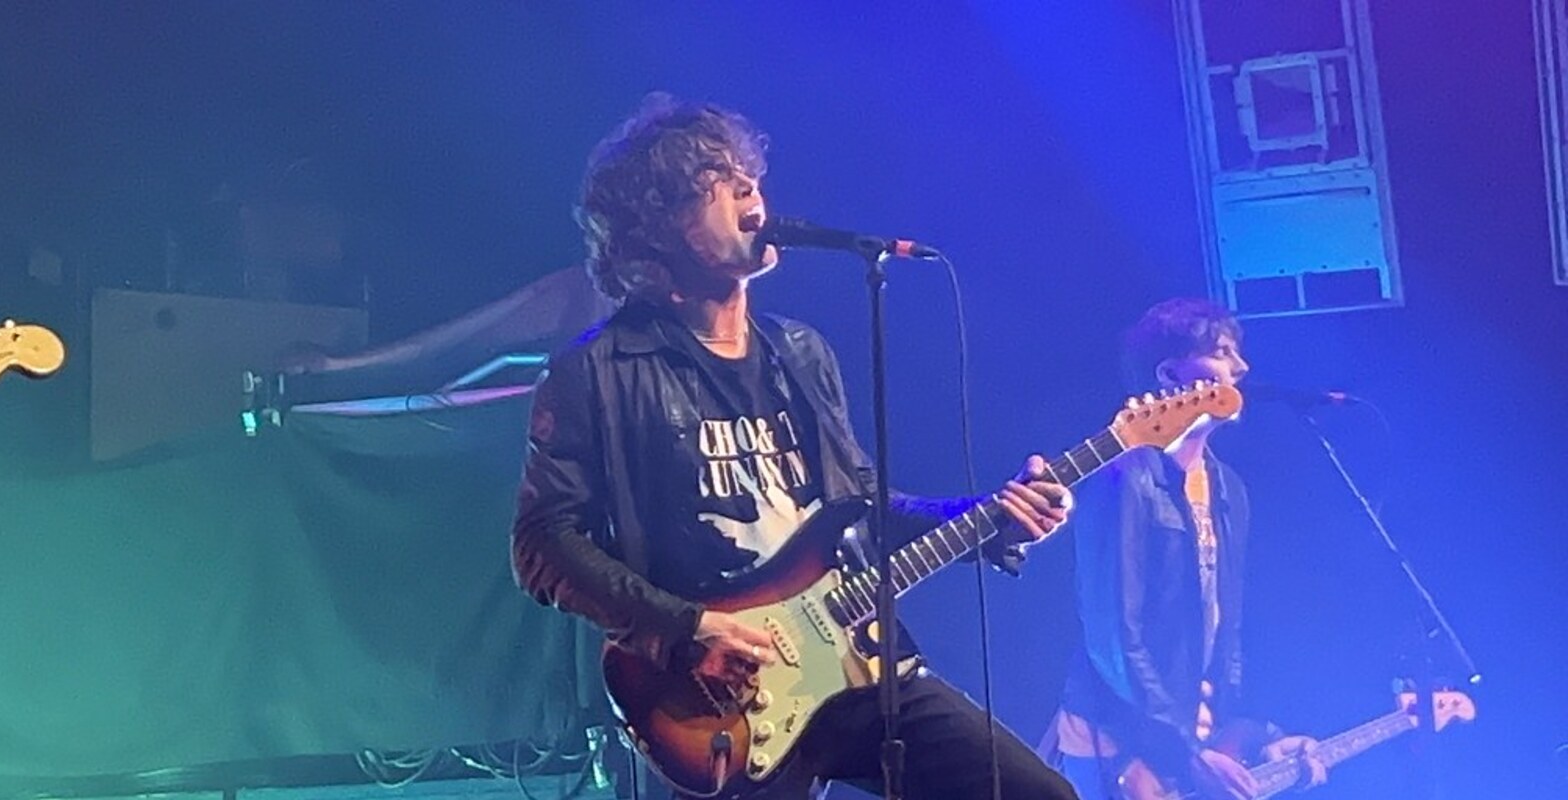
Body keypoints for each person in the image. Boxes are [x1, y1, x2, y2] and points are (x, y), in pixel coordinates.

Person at [511, 93, 1079, 800]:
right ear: (657, 228)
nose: (751, 193)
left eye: (748, 177)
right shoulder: (598, 371)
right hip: (717, 698)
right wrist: (685, 629)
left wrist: (988, 516)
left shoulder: (800, 353)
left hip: (854, 665)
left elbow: (860, 510)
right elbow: (542, 544)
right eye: (715, 185)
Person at [1045, 298, 1325, 800]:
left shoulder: (1228, 488)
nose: (1241, 368)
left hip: (1184, 736)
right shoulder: (1125, 478)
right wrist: (1182, 755)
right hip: (1117, 741)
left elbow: (1226, 630)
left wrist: (1249, 737)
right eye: (1221, 352)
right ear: (1172, 374)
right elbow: (1114, 640)